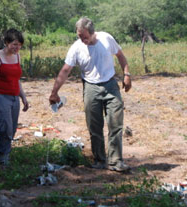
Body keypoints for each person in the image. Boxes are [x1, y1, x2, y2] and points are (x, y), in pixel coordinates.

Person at [49, 17, 132, 172]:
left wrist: (127, 75)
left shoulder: (106, 39)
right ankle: (100, 160)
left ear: (93, 33)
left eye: (84, 36)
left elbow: (120, 56)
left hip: (110, 85)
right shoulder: (76, 48)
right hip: (90, 87)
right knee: (94, 126)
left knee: (115, 124)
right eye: (79, 36)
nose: (82, 39)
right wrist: (54, 92)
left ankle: (115, 162)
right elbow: (65, 70)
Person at [0, 28, 29, 166]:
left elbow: (17, 79)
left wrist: (23, 97)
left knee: (13, 128)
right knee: (5, 128)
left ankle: (5, 157)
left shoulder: (17, 56)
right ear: (6, 42)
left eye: (19, 44)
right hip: (0, 97)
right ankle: (2, 160)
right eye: (14, 44)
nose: (17, 47)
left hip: (14, 97)